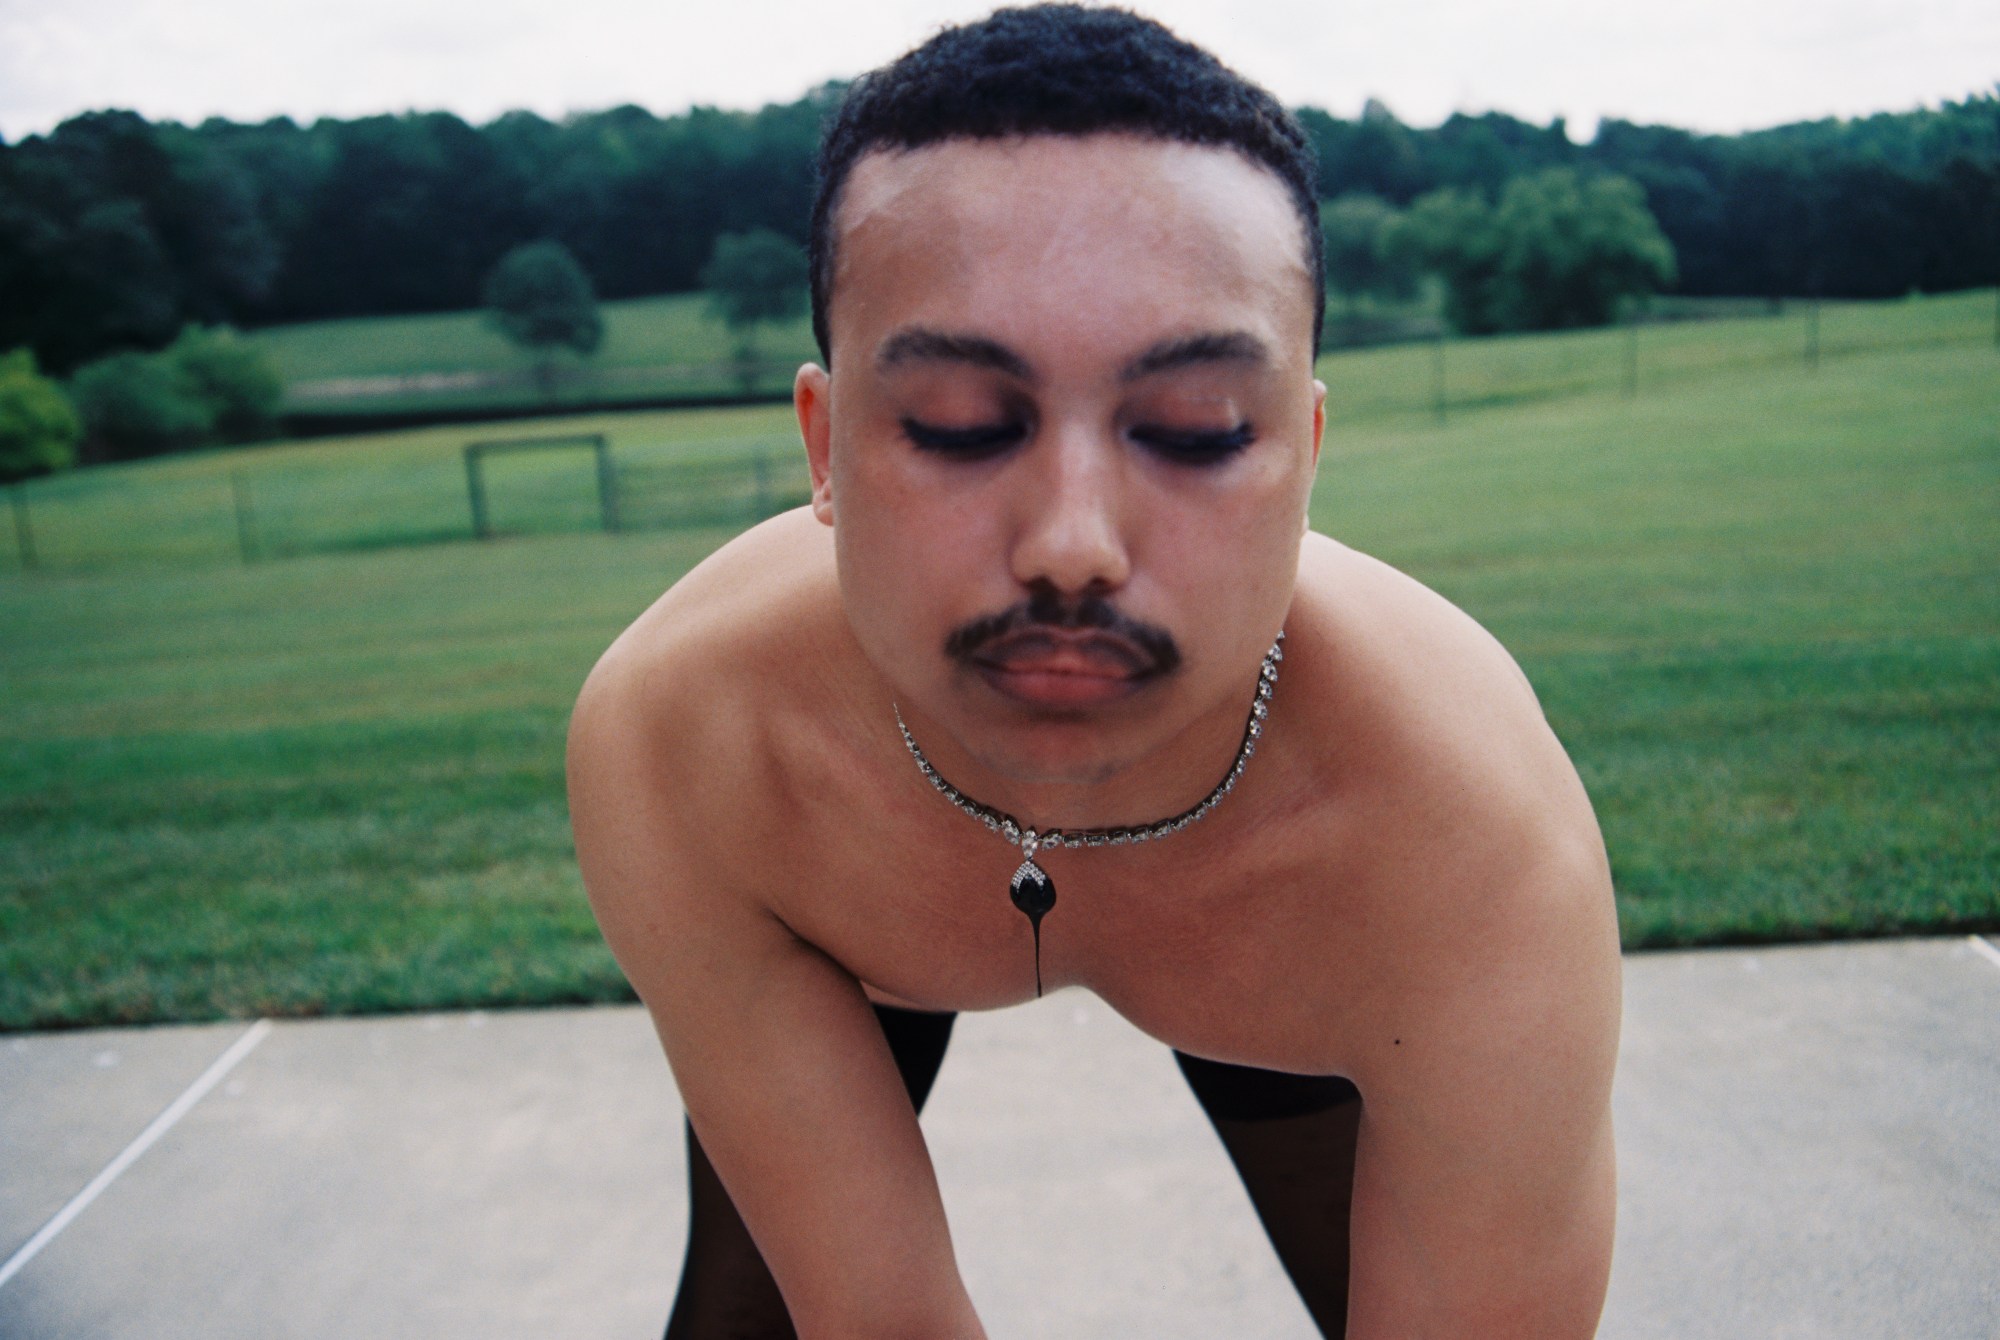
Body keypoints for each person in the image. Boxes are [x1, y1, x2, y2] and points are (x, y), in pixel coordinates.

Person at [567, 6, 1622, 1337]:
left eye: (1197, 431)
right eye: (960, 426)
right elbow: (883, 1320)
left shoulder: (1470, 834)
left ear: (1305, 450)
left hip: (1306, 961)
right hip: (845, 932)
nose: (1073, 545)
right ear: (824, 449)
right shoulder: (687, 737)